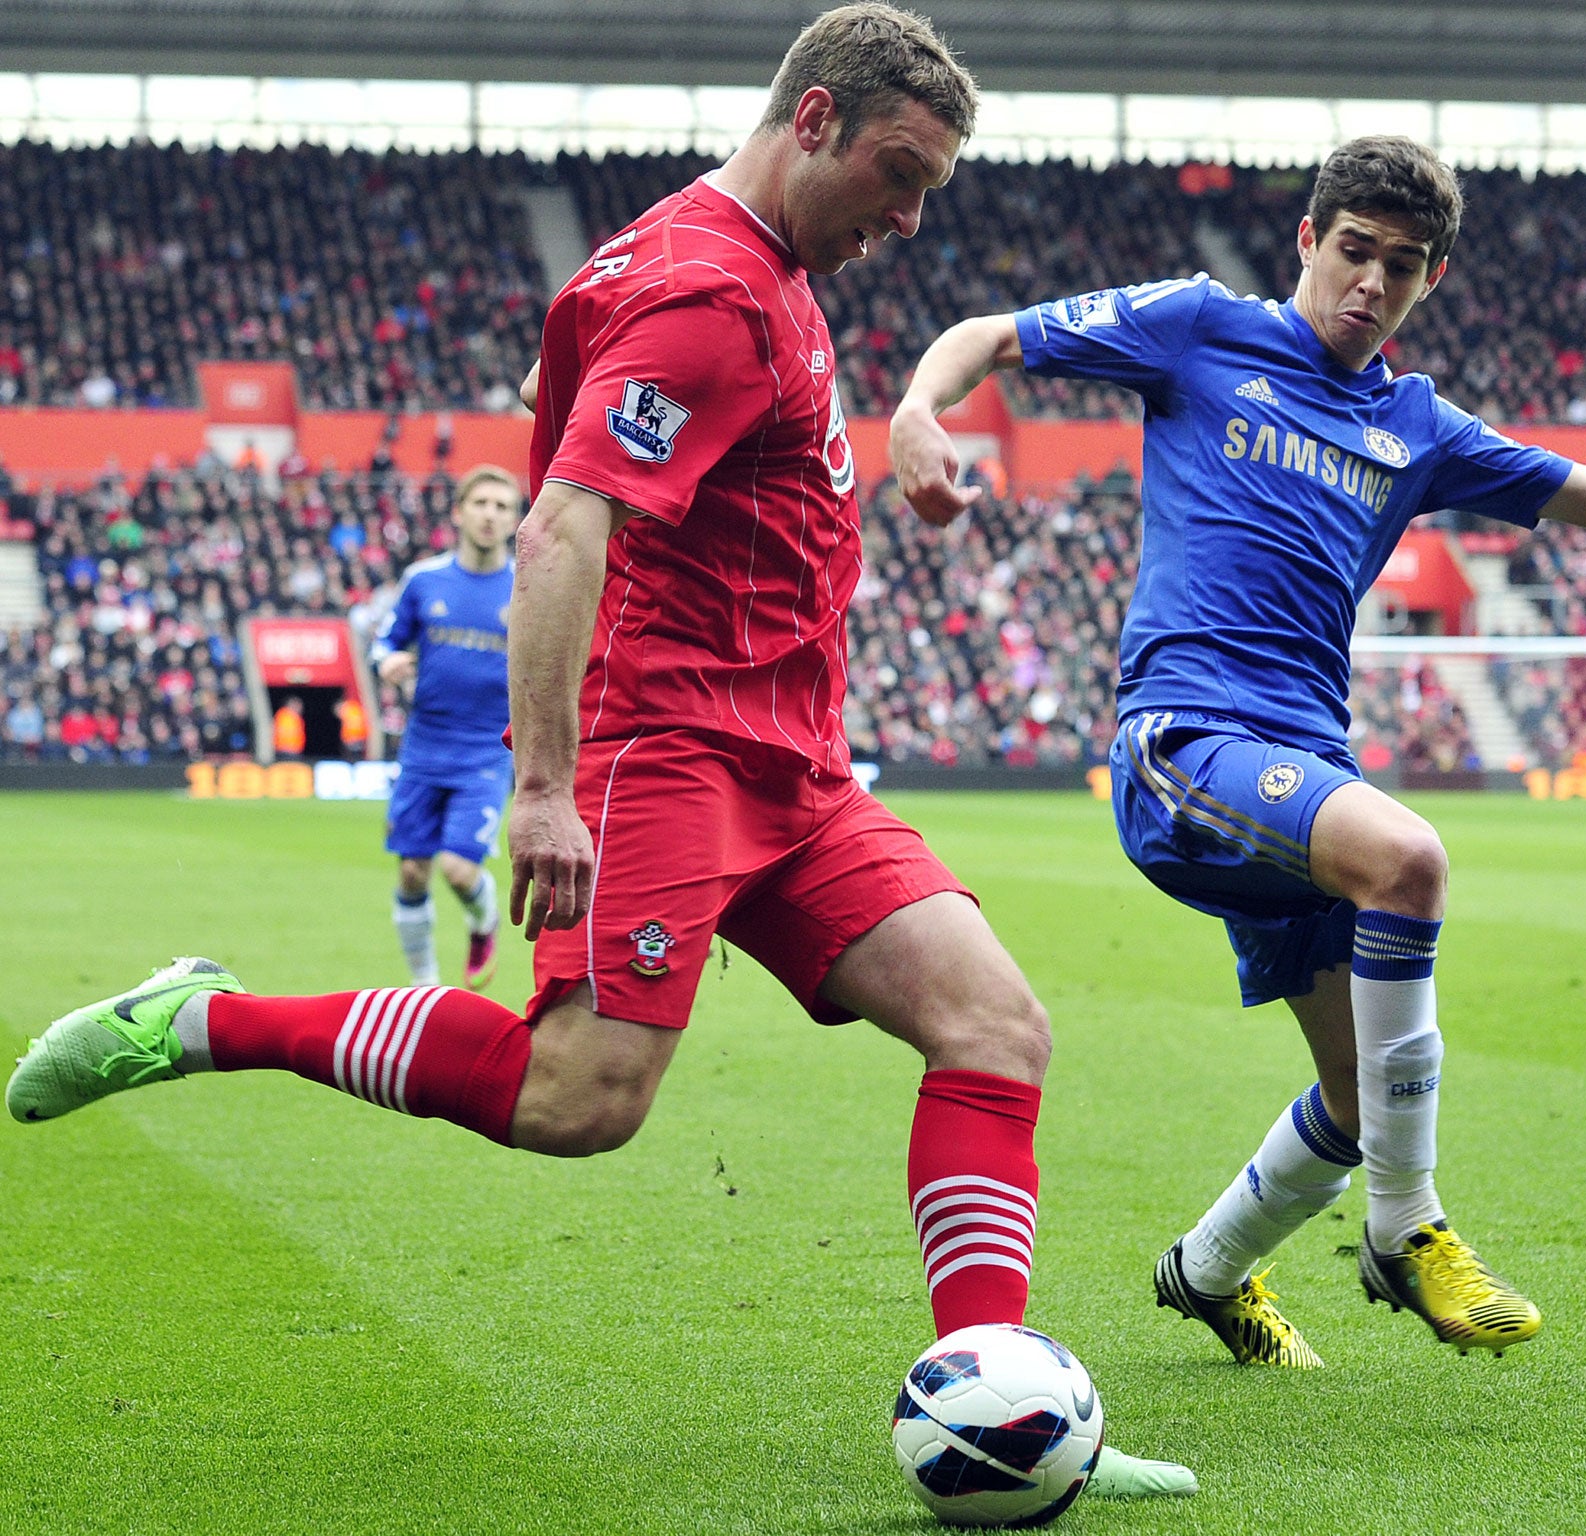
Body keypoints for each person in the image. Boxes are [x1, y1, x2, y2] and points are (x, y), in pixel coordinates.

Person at [8, 3, 1188, 1499]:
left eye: (930, 191)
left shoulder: (708, 263)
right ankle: (203, 1018)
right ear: (813, 118)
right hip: (672, 749)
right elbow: (567, 520)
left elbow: (559, 412)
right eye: (900, 174)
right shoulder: (708, 291)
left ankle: (1000, 1406)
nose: (908, 217)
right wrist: (549, 784)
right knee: (579, 1100)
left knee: (996, 1028)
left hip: (793, 761)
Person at [890, 134, 1586, 1366]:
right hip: (1184, 743)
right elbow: (988, 337)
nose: (1368, 283)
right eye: (1352, 251)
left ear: (1430, 281)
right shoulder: (1198, 328)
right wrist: (917, 410)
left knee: (1361, 1094)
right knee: (1408, 861)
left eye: (1401, 266)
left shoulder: (1416, 426)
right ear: (1307, 241)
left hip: (1297, 770)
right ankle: (1402, 1227)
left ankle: (1207, 1271)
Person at [370, 464, 521, 989]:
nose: (490, 515)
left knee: (458, 869)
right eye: (481, 503)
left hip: (487, 750)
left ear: (515, 521)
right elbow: (385, 640)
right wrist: (386, 660)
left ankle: (484, 923)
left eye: (503, 507)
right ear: (459, 512)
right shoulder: (424, 580)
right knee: (412, 871)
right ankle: (425, 991)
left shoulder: (527, 587)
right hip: (423, 747)